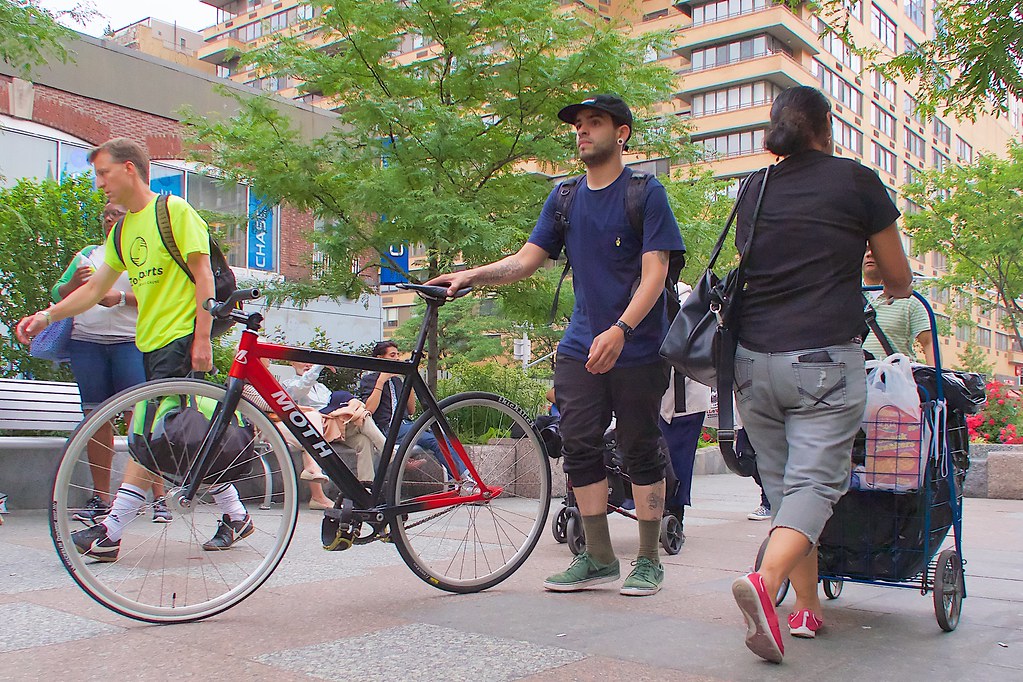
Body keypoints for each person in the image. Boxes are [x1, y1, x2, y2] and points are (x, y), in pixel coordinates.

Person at [428, 94, 684, 597]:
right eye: (578, 125)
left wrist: (623, 329)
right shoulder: (565, 197)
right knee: (580, 445)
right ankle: (598, 557)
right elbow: (527, 259)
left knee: (639, 449)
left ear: (622, 132)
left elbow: (656, 272)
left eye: (594, 123)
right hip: (579, 346)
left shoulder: (645, 192)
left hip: (637, 345)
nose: (582, 131)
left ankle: (649, 559)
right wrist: (471, 275)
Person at [727, 86, 913, 663]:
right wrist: (865, 269)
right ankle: (766, 582)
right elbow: (899, 278)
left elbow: (761, 263)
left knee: (785, 491)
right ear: (824, 129)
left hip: (753, 363)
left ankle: (806, 607)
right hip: (823, 362)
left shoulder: (753, 188)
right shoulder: (857, 181)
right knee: (816, 487)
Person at [16, 137, 255, 560]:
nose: (99, 183)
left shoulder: (174, 211)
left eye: (103, 173)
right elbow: (93, 290)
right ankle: (235, 513)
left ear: (129, 168)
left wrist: (201, 339)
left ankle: (111, 531)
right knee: (177, 435)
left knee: (148, 432)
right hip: (150, 343)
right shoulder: (124, 230)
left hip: (180, 338)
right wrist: (48, 316)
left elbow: (204, 277)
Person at [54, 203, 171, 525]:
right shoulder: (89, 254)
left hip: (129, 342)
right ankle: (101, 498)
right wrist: (73, 285)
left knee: (142, 417)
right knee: (95, 418)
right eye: (105, 214)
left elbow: (163, 296)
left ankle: (157, 497)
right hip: (87, 342)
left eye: (116, 212)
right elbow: (58, 292)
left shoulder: (143, 252)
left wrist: (119, 299)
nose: (109, 218)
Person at [358, 341, 468, 482]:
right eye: (392, 355)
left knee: (443, 437)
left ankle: (457, 478)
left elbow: (411, 410)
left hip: (406, 425)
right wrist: (381, 381)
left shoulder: (397, 381)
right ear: (380, 359)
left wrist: (407, 383)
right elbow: (369, 409)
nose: (397, 358)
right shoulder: (370, 380)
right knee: (435, 441)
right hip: (388, 428)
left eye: (397, 354)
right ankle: (464, 479)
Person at [283, 361, 386, 495]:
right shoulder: (289, 385)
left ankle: (366, 489)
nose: (308, 365)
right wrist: (319, 365)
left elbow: (336, 403)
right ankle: (388, 452)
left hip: (335, 426)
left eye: (310, 363)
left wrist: (350, 406)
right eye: (303, 362)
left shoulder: (321, 387)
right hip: (316, 428)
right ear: (292, 364)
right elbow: (302, 386)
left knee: (363, 441)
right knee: (363, 416)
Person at [863, 245, 934, 364]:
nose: (869, 254)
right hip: (855, 379)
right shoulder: (847, 298)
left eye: (875, 249)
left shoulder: (910, 301)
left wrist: (936, 380)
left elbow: (929, 342)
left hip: (896, 379)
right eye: (864, 250)